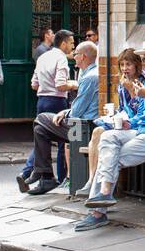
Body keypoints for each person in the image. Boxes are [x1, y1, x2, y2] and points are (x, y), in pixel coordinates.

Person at [76, 39, 145, 232]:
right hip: (141, 131)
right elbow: (142, 115)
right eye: (144, 59)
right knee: (108, 137)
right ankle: (104, 195)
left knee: (111, 157)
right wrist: (129, 123)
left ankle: (97, 212)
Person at [25, 42, 99, 195]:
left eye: (76, 53)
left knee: (41, 118)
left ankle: (41, 173)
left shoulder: (89, 77)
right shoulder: (88, 74)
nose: (73, 56)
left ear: (83, 57)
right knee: (40, 130)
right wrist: (66, 112)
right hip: (82, 124)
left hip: (82, 127)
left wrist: (64, 113)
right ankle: (46, 177)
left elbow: (77, 112)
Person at [75, 48, 144, 199]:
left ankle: (96, 185)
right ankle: (92, 180)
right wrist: (113, 115)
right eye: (122, 65)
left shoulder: (143, 82)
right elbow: (123, 107)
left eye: (128, 64)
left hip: (136, 126)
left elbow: (140, 110)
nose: (125, 68)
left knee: (103, 137)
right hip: (123, 121)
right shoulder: (121, 83)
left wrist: (131, 89)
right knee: (97, 131)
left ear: (137, 65)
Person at [19, 29, 78, 189]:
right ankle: (59, 178)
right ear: (63, 43)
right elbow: (60, 84)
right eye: (72, 43)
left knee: (41, 138)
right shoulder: (61, 59)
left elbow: (34, 84)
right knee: (62, 142)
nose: (73, 46)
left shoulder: (43, 57)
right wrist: (75, 84)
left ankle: (26, 172)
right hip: (57, 102)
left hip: (42, 101)